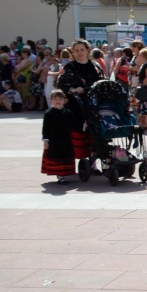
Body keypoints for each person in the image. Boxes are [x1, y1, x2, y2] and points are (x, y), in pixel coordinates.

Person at [57, 39, 105, 173]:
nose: (79, 53)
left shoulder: (95, 66)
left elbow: (101, 83)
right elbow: (61, 86)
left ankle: (93, 164)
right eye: (76, 50)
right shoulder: (69, 68)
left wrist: (84, 89)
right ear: (73, 52)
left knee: (94, 135)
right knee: (77, 135)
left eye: (82, 50)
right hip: (75, 106)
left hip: (94, 105)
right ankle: (77, 164)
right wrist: (72, 90)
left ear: (88, 50)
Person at [41, 89, 78, 185]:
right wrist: (46, 140)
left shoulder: (68, 112)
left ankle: (64, 173)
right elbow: (46, 128)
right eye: (55, 99)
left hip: (65, 139)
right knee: (56, 156)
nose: (58, 101)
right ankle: (60, 176)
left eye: (60, 99)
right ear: (51, 101)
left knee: (65, 156)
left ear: (64, 100)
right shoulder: (49, 113)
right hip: (54, 140)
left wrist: (84, 125)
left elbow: (74, 124)